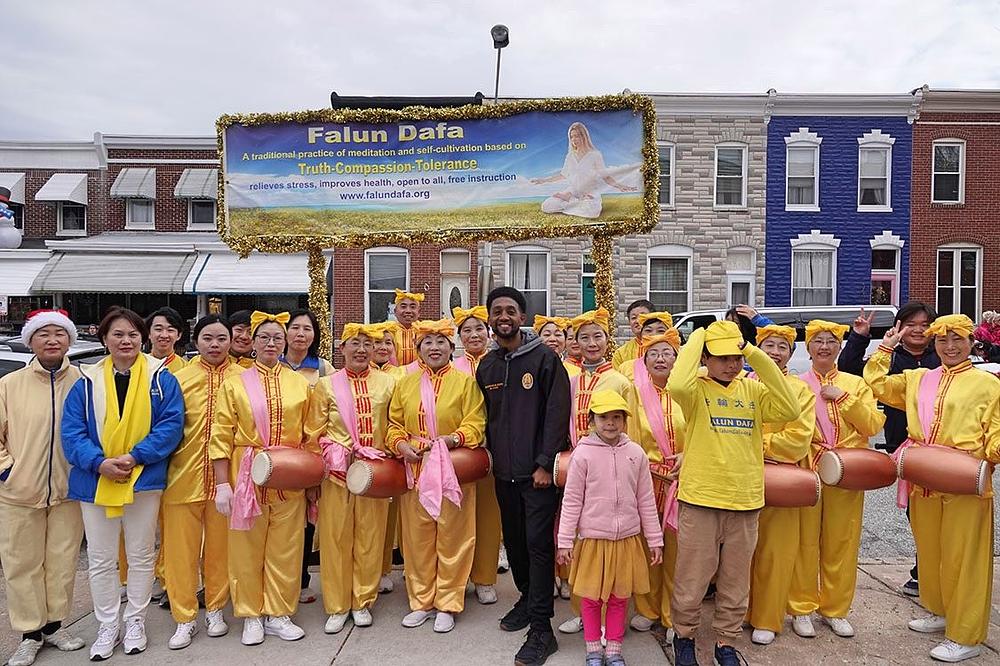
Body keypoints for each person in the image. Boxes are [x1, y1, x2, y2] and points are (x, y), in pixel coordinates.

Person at [864, 314, 1000, 663]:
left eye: (957, 340)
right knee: (931, 551)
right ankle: (940, 612)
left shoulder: (989, 385)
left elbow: (996, 433)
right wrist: (887, 344)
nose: (950, 347)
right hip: (923, 475)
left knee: (964, 557)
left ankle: (966, 634)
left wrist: (986, 460)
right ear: (933, 344)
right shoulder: (918, 378)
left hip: (961, 476)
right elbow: (875, 384)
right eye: (943, 341)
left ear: (972, 342)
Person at [667, 320, 797, 666]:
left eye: (734, 357)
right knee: (691, 581)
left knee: (735, 583)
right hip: (700, 499)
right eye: (721, 357)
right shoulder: (696, 390)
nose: (730, 364)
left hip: (745, 500)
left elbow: (790, 407)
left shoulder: (753, 392)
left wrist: (752, 350)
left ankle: (725, 641)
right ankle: (684, 636)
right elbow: (676, 382)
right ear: (706, 358)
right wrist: (698, 336)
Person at [61, 307, 185, 660]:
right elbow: (72, 432)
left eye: (132, 334)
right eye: (117, 334)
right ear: (104, 339)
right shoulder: (86, 381)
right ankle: (107, 624)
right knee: (100, 558)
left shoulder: (161, 379)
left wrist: (135, 457)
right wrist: (99, 463)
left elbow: (171, 426)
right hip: (95, 481)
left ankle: (135, 621)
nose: (126, 340)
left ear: (142, 338)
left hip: (142, 478)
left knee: (141, 554)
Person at [209, 311, 320, 646]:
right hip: (247, 471)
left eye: (277, 337)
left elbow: (312, 434)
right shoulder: (235, 383)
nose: (271, 343)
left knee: (286, 546)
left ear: (284, 343)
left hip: (290, 471)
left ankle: (278, 613)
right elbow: (220, 435)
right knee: (247, 547)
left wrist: (312, 477)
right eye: (264, 337)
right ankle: (251, 614)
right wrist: (222, 483)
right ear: (253, 343)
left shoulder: (299, 383)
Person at [477, 286, 569, 666]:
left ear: (522, 316)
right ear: (490, 318)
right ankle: (528, 600)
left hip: (537, 476)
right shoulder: (488, 366)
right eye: (497, 310)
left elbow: (557, 413)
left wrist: (545, 463)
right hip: (504, 474)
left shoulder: (545, 359)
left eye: (510, 310)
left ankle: (542, 629)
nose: (504, 316)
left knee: (537, 546)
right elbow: (487, 419)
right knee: (514, 544)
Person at [386, 318, 486, 634]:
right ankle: (421, 601)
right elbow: (393, 425)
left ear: (450, 347)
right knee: (417, 540)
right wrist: (401, 444)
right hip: (415, 471)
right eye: (427, 342)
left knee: (454, 537)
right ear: (417, 349)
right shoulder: (405, 383)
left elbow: (477, 423)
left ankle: (448, 602)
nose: (434, 347)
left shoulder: (465, 382)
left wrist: (454, 439)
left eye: (440, 341)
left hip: (453, 471)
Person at [787, 321, 885, 641]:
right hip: (808, 470)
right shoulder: (796, 384)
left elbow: (872, 425)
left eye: (831, 341)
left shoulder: (854, 384)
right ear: (808, 347)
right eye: (818, 341)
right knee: (803, 541)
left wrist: (843, 398)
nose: (824, 347)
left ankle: (835, 609)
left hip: (847, 470)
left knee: (842, 542)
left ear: (840, 346)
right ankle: (801, 607)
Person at [0, 310, 86, 666]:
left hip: (69, 492)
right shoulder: (9, 385)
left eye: (59, 334)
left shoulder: (84, 381)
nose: (52, 340)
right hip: (19, 492)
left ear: (69, 340)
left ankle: (54, 626)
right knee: (21, 565)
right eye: (43, 334)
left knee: (62, 563)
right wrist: (8, 471)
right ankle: (29, 633)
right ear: (30, 340)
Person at [839, 302, 939, 597]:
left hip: (944, 449)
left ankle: (930, 575)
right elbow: (851, 371)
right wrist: (860, 337)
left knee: (943, 514)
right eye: (911, 324)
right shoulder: (889, 358)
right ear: (899, 328)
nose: (918, 330)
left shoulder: (942, 357)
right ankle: (926, 573)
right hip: (904, 447)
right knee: (917, 514)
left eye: (924, 324)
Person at [557, 390, 663, 666]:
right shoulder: (582, 455)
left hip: (626, 540)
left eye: (617, 417)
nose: (611, 423)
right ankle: (593, 650)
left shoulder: (636, 453)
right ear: (592, 420)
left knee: (619, 598)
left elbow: (645, 499)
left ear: (625, 421)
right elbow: (572, 500)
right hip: (593, 540)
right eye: (604, 417)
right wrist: (565, 540)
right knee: (591, 598)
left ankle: (614, 650)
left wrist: (654, 539)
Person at [163, 315, 242, 649]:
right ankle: (184, 617)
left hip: (228, 480)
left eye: (221, 338)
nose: (215, 344)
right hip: (183, 476)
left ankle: (216, 608)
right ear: (195, 341)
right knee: (180, 552)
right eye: (208, 338)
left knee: (221, 549)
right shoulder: (176, 380)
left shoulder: (243, 378)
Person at [313, 324, 396, 634]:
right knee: (336, 539)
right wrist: (336, 454)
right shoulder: (326, 386)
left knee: (370, 538)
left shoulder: (388, 384)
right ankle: (337, 605)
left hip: (374, 475)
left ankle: (363, 600)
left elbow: (393, 425)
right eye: (354, 344)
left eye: (366, 344)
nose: (361, 350)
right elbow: (314, 432)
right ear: (342, 348)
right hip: (336, 476)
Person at [559, 307, 633, 631]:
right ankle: (583, 610)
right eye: (584, 337)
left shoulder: (618, 379)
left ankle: (610, 615)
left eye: (597, 336)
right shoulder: (567, 376)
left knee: (609, 542)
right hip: (576, 464)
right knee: (581, 538)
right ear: (575, 341)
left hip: (610, 467)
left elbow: (632, 429)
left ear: (607, 340)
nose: (591, 343)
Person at [746, 325, 816, 646]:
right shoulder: (741, 383)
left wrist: (756, 446)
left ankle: (767, 617)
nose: (774, 352)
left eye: (781, 347)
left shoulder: (800, 390)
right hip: (740, 478)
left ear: (791, 353)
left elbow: (798, 440)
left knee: (777, 550)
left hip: (781, 479)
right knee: (741, 550)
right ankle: (742, 611)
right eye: (768, 346)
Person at [625, 331, 686, 639]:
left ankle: (673, 613)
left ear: (677, 359)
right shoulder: (635, 394)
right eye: (654, 354)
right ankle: (648, 609)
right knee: (649, 546)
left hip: (683, 482)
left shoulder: (688, 392)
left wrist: (688, 458)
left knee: (679, 551)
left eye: (667, 353)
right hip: (648, 481)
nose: (661, 358)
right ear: (644, 361)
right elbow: (630, 438)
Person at [280, 308, 334, 606]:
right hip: (278, 453)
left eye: (307, 329)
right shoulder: (272, 364)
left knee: (306, 519)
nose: (301, 335)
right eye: (296, 328)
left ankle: (300, 581)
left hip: (311, 453)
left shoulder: (323, 369)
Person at [453, 306, 504, 605]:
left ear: (488, 333)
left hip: (492, 448)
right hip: (459, 452)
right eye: (467, 330)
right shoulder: (453, 368)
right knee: (457, 518)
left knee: (488, 515)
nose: (474, 335)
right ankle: (456, 577)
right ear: (459, 337)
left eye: (478, 329)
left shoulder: (500, 362)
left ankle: (484, 577)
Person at [366, 320, 406, 592]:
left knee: (388, 518)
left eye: (387, 343)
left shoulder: (400, 376)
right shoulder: (358, 374)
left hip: (391, 456)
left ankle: (383, 569)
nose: (382, 347)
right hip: (362, 458)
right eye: (376, 343)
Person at [531, 121, 637, 219]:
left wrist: (621, 186)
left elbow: (606, 176)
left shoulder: (595, 155)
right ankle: (571, 198)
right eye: (571, 137)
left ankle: (572, 200)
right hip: (572, 191)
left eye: (577, 136)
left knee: (592, 213)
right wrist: (544, 180)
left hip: (589, 193)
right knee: (546, 206)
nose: (574, 140)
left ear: (584, 136)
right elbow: (563, 175)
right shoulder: (570, 156)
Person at [617, 311, 673, 381]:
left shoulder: (680, 362)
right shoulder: (626, 368)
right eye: (648, 330)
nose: (654, 335)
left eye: (661, 331)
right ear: (641, 335)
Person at [611, 299, 653, 371]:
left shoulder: (668, 348)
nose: (637, 321)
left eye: (642, 316)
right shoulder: (621, 353)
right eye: (633, 318)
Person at [146, 307, 188, 374]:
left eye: (170, 330)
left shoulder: (185, 369)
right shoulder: (139, 364)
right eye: (158, 329)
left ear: (179, 335)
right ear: (148, 333)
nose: (164, 335)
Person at [392, 290, 424, 366]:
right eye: (403, 307)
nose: (408, 311)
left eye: (413, 307)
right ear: (395, 311)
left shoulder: (424, 331)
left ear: (419, 312)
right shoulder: (389, 332)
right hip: (395, 375)